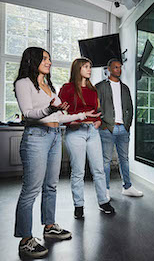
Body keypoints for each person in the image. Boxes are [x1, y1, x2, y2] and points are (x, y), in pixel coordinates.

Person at [14, 47, 99, 258]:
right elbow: (28, 113)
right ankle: (25, 239)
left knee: (51, 185)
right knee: (31, 189)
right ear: (32, 60)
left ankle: (49, 226)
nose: (49, 62)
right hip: (36, 137)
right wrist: (50, 110)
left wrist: (81, 114)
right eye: (45, 59)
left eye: (50, 59)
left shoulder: (48, 86)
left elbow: (60, 117)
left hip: (54, 137)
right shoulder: (23, 83)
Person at [59, 58, 114, 219]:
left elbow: (97, 110)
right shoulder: (67, 89)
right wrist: (73, 120)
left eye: (90, 67)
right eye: (86, 67)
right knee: (78, 171)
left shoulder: (92, 89)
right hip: (75, 132)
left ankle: (103, 202)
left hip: (92, 131)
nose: (89, 70)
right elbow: (61, 113)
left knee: (98, 169)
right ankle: (79, 205)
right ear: (78, 69)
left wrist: (98, 121)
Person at [96, 58, 143, 201]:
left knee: (124, 159)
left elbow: (130, 108)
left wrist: (127, 125)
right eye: (115, 67)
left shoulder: (125, 88)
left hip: (123, 129)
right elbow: (96, 107)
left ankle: (127, 187)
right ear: (109, 69)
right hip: (107, 129)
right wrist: (103, 122)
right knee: (106, 161)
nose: (119, 70)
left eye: (120, 67)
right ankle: (105, 190)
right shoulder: (100, 87)